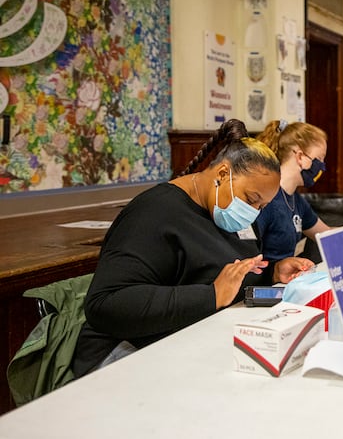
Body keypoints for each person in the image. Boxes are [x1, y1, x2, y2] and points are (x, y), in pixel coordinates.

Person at [72, 119, 313, 377]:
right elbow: (105, 305)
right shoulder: (154, 213)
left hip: (194, 338)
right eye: (251, 200)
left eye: (262, 207)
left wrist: (273, 273)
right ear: (222, 174)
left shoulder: (226, 212)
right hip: (124, 351)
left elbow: (227, 275)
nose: (253, 213)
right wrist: (211, 296)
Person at [254, 119, 330, 264]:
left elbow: (326, 234)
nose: (322, 167)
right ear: (300, 156)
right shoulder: (265, 199)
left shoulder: (296, 199)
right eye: (319, 158)